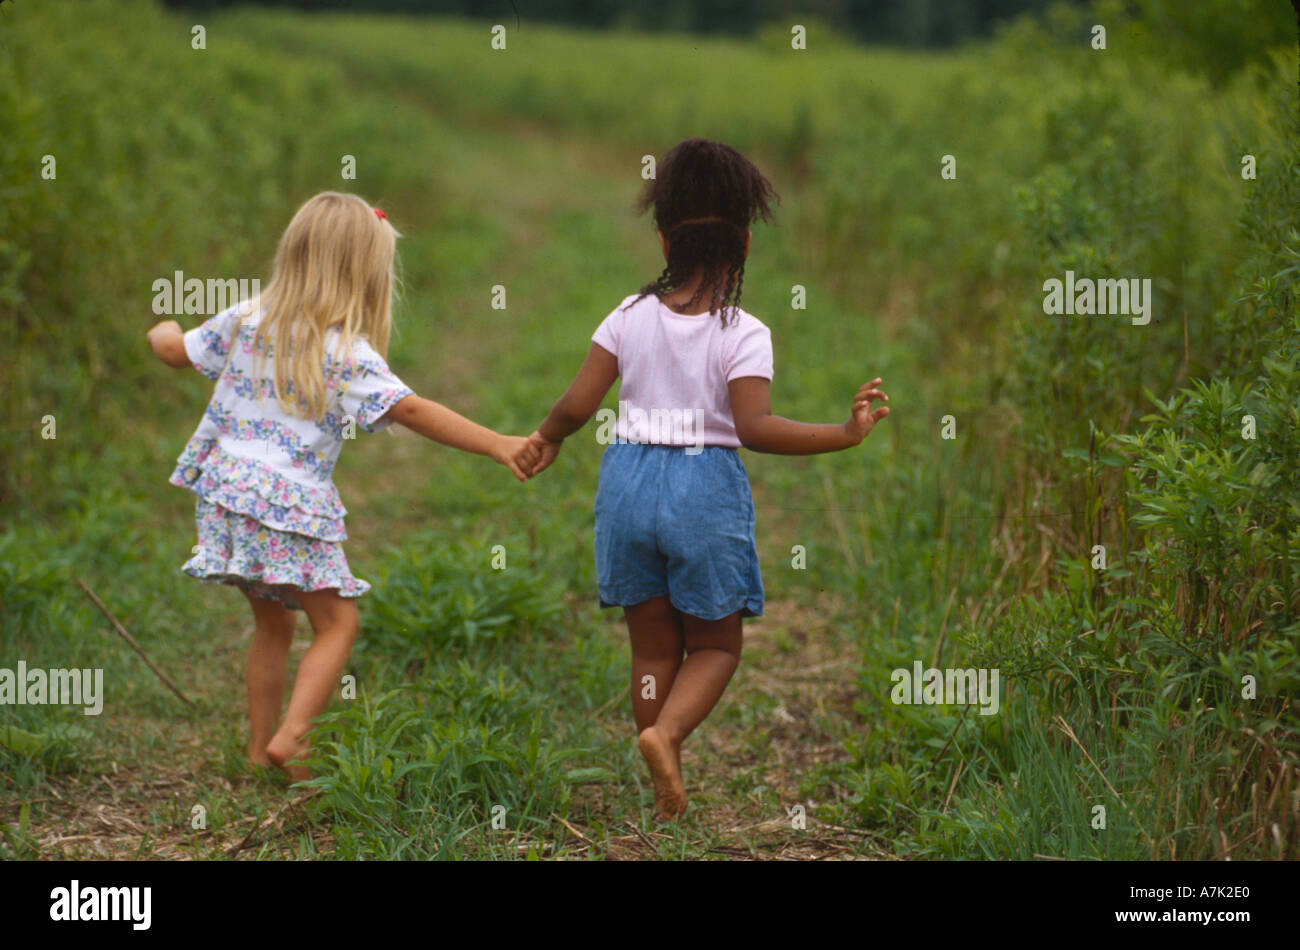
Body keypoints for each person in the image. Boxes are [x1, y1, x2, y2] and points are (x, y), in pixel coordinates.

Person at [517, 140, 890, 819]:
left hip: (627, 481)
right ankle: (668, 736)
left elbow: (577, 405)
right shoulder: (743, 332)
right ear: (745, 245)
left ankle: (665, 769)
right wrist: (842, 434)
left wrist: (546, 438)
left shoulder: (627, 316)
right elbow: (754, 427)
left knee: (652, 649)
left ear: (663, 238)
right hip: (702, 489)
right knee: (715, 643)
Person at [146, 192, 535, 781]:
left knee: (272, 626)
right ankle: (294, 739)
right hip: (286, 503)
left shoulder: (249, 317)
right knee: (339, 625)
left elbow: (175, 351)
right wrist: (498, 442)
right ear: (366, 274)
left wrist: (162, 328)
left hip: (224, 494)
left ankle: (257, 751)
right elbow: (412, 411)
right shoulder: (347, 352)